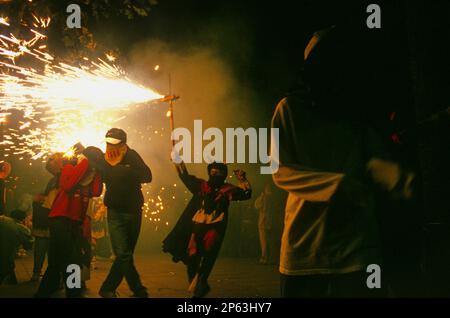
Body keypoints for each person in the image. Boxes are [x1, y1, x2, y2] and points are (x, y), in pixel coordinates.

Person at [271, 26, 414, 298]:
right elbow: (281, 170)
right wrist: (338, 185)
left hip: (357, 245)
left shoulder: (358, 111)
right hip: (305, 244)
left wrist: (396, 177)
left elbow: (373, 161)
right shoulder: (290, 109)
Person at [163, 160, 252, 298]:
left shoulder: (228, 190)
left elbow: (246, 194)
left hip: (215, 228)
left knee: (208, 256)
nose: (216, 174)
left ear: (224, 175)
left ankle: (201, 283)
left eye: (219, 172)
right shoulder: (201, 186)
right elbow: (185, 177)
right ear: (209, 172)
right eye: (213, 172)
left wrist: (242, 179)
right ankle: (198, 286)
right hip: (197, 226)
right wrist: (178, 162)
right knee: (192, 256)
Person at [35, 146, 104, 298]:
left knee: (57, 260)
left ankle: (45, 290)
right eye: (92, 164)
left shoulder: (90, 176)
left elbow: (96, 191)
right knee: (72, 259)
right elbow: (68, 185)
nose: (93, 168)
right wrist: (85, 163)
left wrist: (98, 171)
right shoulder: (69, 168)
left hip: (74, 222)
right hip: (60, 219)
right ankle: (73, 293)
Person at [99, 128, 152, 298]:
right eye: (108, 142)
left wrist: (127, 171)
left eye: (114, 143)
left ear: (123, 143)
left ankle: (124, 289)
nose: (110, 146)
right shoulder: (105, 159)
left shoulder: (132, 156)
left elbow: (147, 175)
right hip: (115, 211)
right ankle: (121, 289)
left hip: (133, 211)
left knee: (125, 255)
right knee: (123, 254)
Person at [30, 152, 63, 282]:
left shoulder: (62, 178)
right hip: (48, 220)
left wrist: (43, 198)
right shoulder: (55, 179)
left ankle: (72, 284)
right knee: (48, 249)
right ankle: (65, 282)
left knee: (60, 252)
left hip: (58, 220)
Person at [0, 209, 34, 285]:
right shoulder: (20, 228)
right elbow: (29, 244)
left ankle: (12, 282)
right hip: (5, 256)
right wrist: (28, 228)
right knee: (6, 266)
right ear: (23, 219)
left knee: (9, 266)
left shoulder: (2, 218)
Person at [254, 183, 279, 265]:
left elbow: (274, 210)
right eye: (267, 187)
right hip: (264, 222)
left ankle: (271, 258)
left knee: (271, 241)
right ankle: (265, 256)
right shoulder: (263, 197)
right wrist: (262, 197)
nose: (268, 189)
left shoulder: (272, 198)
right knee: (264, 241)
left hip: (270, 221)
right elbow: (257, 205)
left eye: (269, 187)